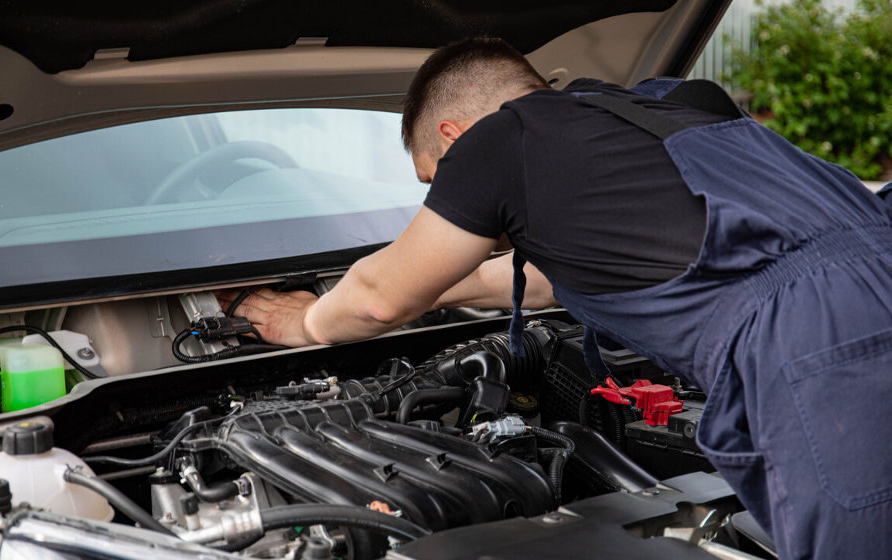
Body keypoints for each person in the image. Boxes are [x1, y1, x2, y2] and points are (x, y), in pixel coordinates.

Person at [228, 38, 892, 559]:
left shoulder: (501, 139)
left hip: (819, 341)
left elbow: (375, 300)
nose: (446, 192)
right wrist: (430, 289)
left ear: (455, 138)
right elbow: (539, 276)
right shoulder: (663, 110)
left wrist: (305, 320)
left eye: (435, 178)